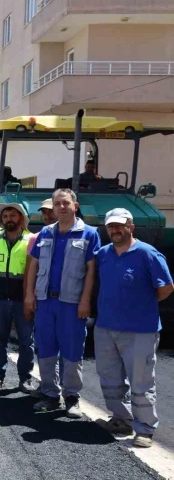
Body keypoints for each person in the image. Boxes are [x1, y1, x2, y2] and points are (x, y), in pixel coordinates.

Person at [94, 208, 173, 448]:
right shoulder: (104, 254)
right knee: (110, 378)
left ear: (131, 226)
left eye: (120, 225)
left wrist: (142, 305)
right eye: (111, 226)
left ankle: (145, 429)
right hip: (106, 327)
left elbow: (166, 287)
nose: (115, 230)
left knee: (141, 381)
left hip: (140, 330)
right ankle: (121, 420)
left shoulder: (148, 254)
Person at [25, 188, 101, 417]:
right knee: (46, 348)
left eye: (65, 203)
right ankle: (49, 393)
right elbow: (34, 266)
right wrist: (30, 295)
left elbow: (91, 270)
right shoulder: (45, 233)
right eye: (57, 203)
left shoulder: (89, 234)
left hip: (72, 303)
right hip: (46, 301)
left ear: (75, 206)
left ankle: (71, 396)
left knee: (72, 350)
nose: (61, 207)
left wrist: (86, 300)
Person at [0, 203, 35, 393]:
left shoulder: (32, 240)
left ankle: (25, 379)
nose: (9, 219)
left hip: (23, 298)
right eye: (5, 217)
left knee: (26, 340)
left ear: (21, 218)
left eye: (13, 215)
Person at [24, 198, 57, 398]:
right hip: (42, 300)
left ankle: (64, 390)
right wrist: (29, 296)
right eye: (44, 212)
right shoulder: (36, 238)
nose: (47, 216)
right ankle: (48, 385)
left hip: (65, 302)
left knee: (65, 348)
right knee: (44, 345)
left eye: (50, 211)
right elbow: (31, 270)